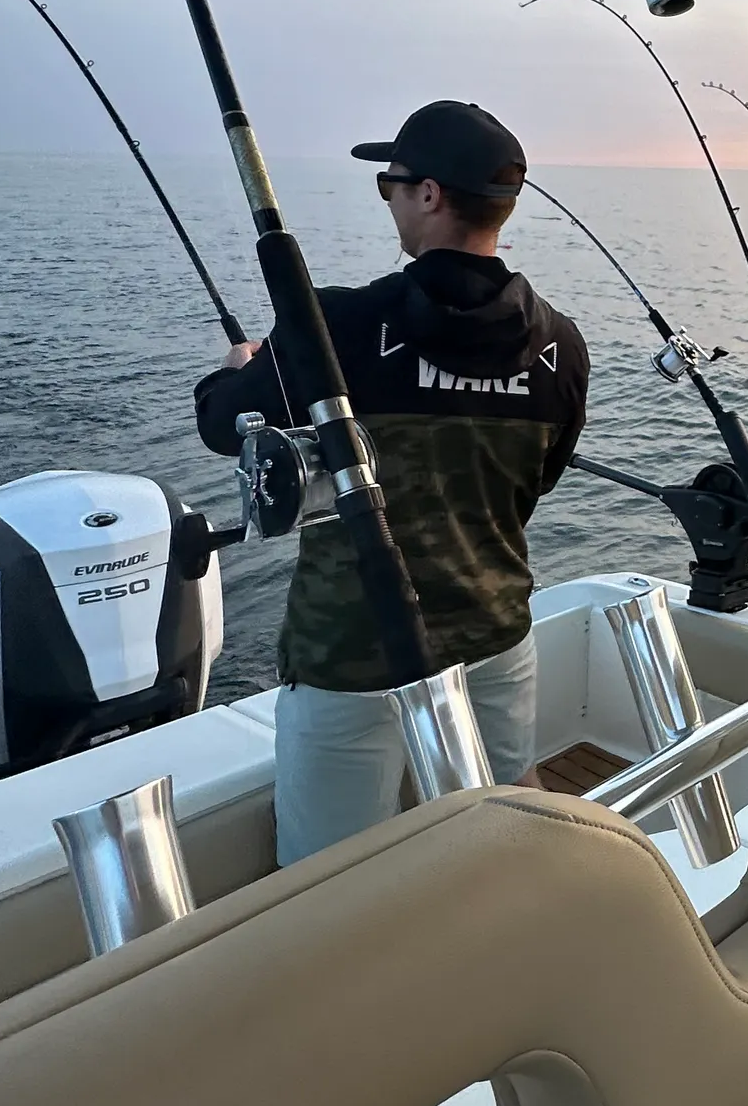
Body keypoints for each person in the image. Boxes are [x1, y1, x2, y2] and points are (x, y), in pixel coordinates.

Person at [195, 100, 589, 864]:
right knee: (507, 833)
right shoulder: (562, 347)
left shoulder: (334, 325)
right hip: (496, 638)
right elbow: (537, 483)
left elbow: (222, 426)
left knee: (328, 876)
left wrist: (235, 372)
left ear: (431, 195)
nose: (391, 201)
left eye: (391, 185)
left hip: (349, 657)